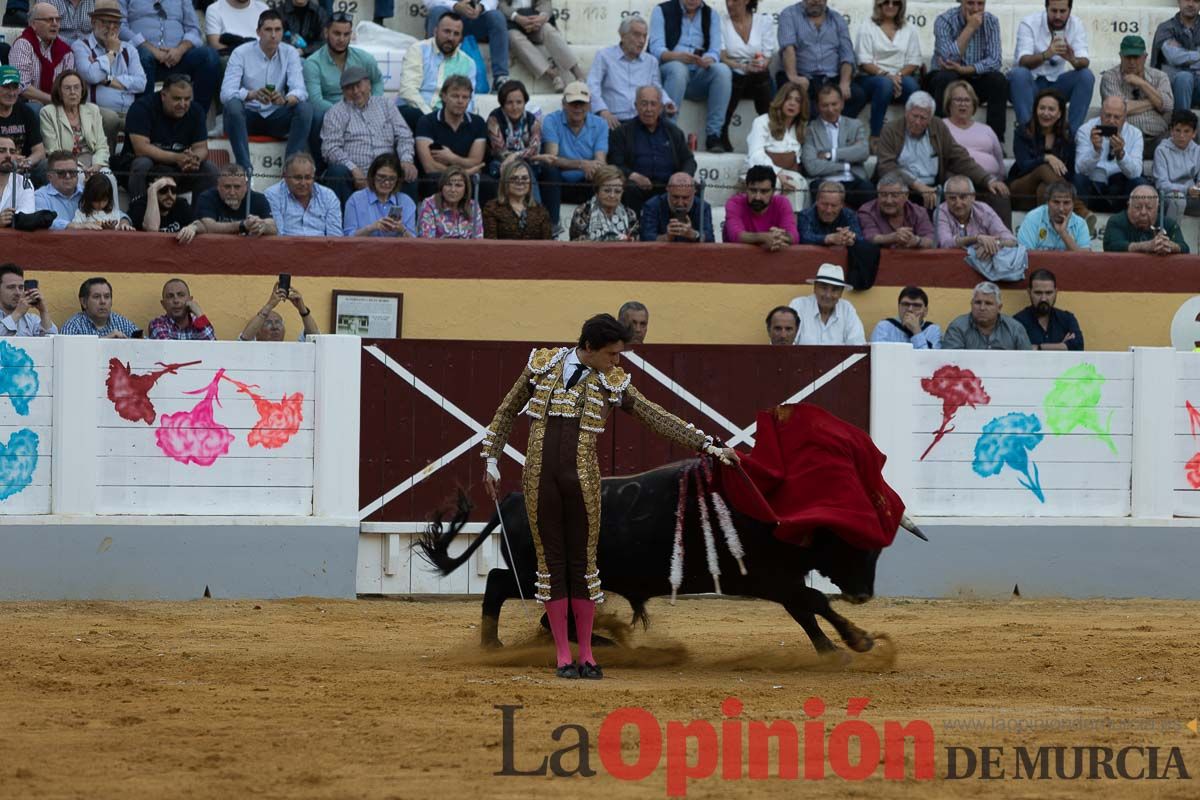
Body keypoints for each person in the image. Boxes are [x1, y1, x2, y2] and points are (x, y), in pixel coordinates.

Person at [480, 312, 737, 679]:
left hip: (582, 483)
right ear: (588, 347)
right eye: (612, 354)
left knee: (583, 566)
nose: (617, 362)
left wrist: (708, 446)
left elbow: (654, 416)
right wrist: (490, 459)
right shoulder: (542, 363)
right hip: (539, 483)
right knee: (551, 567)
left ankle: (587, 655)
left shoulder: (611, 381)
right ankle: (563, 657)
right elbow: (505, 412)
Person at [876, 91, 1009, 217]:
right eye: (914, 116)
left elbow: (958, 157)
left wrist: (988, 180)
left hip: (933, 187)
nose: (918, 122)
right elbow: (886, 167)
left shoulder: (937, 126)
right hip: (901, 187)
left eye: (923, 118)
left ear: (930, 118)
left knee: (991, 194)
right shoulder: (891, 130)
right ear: (906, 112)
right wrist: (918, 186)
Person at [220, 10, 311, 176]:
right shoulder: (241, 53)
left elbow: (301, 91)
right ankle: (244, 169)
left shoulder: (290, 52)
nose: (274, 35)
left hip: (276, 115)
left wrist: (284, 100)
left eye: (278, 30)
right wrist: (251, 94)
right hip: (247, 116)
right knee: (232, 105)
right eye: (268, 30)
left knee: (304, 108)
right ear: (258, 32)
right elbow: (226, 93)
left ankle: (290, 170)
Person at [320, 65, 416, 207]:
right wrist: (352, 168)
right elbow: (330, 148)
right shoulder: (335, 112)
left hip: (388, 170)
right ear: (343, 91)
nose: (356, 91)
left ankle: (405, 226)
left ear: (369, 84)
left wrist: (406, 159)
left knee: (409, 172)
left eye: (359, 85)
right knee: (337, 171)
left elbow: (404, 135)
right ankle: (344, 225)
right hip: (355, 172)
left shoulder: (386, 105)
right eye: (349, 88)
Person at [650, 0, 733, 153]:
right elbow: (655, 49)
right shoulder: (661, 10)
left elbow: (715, 50)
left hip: (698, 71)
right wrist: (676, 56)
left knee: (722, 70)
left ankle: (714, 135)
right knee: (678, 69)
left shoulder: (711, 14)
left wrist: (708, 59)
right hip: (669, 69)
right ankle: (669, 131)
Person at [303, 12, 384, 162]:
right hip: (330, 112)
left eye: (346, 34)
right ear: (326, 33)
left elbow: (377, 81)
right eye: (337, 33)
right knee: (317, 116)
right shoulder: (312, 63)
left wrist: (374, 103)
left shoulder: (364, 58)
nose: (341, 39)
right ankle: (320, 169)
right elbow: (315, 100)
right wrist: (345, 113)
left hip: (363, 108)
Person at [123, 73, 218, 200]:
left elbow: (201, 148)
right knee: (142, 163)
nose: (183, 104)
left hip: (178, 170)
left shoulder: (196, 111)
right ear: (163, 95)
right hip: (148, 169)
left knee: (209, 169)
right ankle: (138, 212)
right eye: (177, 99)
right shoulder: (142, 107)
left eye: (187, 99)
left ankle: (200, 218)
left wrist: (194, 159)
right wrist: (177, 158)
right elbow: (141, 148)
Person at [607, 85, 696, 214]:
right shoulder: (622, 132)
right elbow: (615, 163)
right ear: (636, 106)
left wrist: (682, 178)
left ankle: (690, 232)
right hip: (637, 187)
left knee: (693, 188)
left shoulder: (673, 131)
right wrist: (634, 176)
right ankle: (634, 231)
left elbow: (688, 160)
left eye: (653, 104)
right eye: (644, 104)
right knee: (630, 187)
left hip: (669, 188)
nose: (648, 109)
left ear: (660, 107)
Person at [71, 0, 144, 156]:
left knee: (143, 119)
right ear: (93, 22)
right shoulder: (80, 46)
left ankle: (127, 162)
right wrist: (111, 54)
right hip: (95, 109)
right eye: (106, 23)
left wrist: (107, 80)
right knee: (110, 119)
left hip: (127, 111)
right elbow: (91, 75)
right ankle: (106, 162)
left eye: (116, 24)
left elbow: (141, 83)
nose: (111, 29)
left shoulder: (129, 49)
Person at [1009, 0, 1093, 135]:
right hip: (1031, 85)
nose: (1058, 16)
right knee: (1019, 74)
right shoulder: (1029, 23)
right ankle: (1028, 136)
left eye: (1062, 11)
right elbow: (1023, 61)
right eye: (1054, 11)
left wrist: (1072, 59)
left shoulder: (1076, 24)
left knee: (1086, 76)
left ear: (1070, 10)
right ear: (1046, 8)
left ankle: (1071, 137)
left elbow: (1084, 61)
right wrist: (1047, 54)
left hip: (1057, 85)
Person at [928, 0, 1007, 144]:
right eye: (970, 3)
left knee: (998, 80)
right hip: (947, 77)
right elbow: (948, 59)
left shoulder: (991, 21)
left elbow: (995, 61)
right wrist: (970, 28)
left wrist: (966, 69)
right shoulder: (944, 20)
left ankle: (996, 141)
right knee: (946, 77)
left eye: (980, 4)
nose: (976, 8)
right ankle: (939, 139)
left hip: (974, 77)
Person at [122, 0, 220, 113]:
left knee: (209, 56)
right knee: (143, 56)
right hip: (143, 58)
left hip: (178, 58)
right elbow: (121, 28)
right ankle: (146, 119)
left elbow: (194, 29)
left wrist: (180, 50)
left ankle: (197, 117)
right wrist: (153, 50)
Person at [537, 82, 609, 229]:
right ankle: (552, 225)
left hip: (585, 181)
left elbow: (600, 160)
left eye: (581, 103)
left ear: (589, 105)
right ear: (564, 104)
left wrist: (592, 167)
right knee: (549, 170)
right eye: (573, 103)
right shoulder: (552, 120)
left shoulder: (601, 124)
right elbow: (551, 157)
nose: (578, 108)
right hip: (559, 183)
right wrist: (582, 164)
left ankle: (598, 226)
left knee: (602, 173)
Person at [776, 0, 864, 117]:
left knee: (858, 95)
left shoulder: (837, 19)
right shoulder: (789, 14)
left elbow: (847, 54)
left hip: (831, 78)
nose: (816, 1)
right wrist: (794, 77)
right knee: (799, 99)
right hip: (803, 76)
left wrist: (844, 82)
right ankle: (816, 130)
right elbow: (788, 48)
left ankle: (835, 131)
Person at [1009, 87, 1088, 215]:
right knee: (1044, 168)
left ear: (1059, 114)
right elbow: (1023, 165)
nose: (1045, 113)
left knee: (1045, 189)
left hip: (1049, 195)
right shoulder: (1023, 132)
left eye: (1051, 109)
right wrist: (1046, 158)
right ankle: (1079, 209)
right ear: (1035, 110)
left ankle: (1048, 233)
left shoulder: (1067, 137)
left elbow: (1070, 172)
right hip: (1021, 190)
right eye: (1042, 108)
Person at [588, 16, 675, 130]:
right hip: (613, 120)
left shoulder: (651, 61)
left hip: (641, 121)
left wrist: (667, 102)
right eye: (637, 35)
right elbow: (592, 86)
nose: (642, 41)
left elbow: (656, 88)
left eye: (644, 36)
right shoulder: (604, 56)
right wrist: (603, 111)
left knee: (673, 133)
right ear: (623, 35)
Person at [852, 0, 921, 141]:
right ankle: (875, 135)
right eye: (886, 2)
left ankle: (913, 135)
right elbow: (864, 62)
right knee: (885, 85)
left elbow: (914, 61)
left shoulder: (909, 28)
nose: (890, 6)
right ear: (879, 4)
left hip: (900, 75)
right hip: (871, 77)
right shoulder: (867, 26)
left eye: (895, 3)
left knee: (912, 87)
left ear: (901, 6)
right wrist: (887, 76)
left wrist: (898, 76)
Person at [397, 11, 475, 131]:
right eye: (447, 31)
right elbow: (408, 91)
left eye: (456, 34)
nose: (450, 38)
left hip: (447, 118)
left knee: (476, 125)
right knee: (414, 116)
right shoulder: (418, 50)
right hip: (415, 111)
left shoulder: (468, 63)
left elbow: (468, 100)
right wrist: (432, 118)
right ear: (435, 31)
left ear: (461, 38)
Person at [801, 83, 873, 209]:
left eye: (834, 104)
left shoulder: (855, 125)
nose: (830, 109)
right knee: (818, 190)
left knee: (868, 189)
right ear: (818, 107)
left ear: (842, 104)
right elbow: (812, 166)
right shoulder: (810, 129)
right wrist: (846, 164)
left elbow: (863, 152)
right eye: (825, 105)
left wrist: (831, 154)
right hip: (824, 182)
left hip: (852, 180)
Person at [796, 181, 880, 290]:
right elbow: (804, 237)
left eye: (834, 205)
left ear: (842, 205)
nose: (828, 210)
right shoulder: (805, 215)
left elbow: (859, 237)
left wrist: (850, 238)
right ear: (816, 201)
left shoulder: (849, 214)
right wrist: (829, 238)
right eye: (824, 204)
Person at [414, 74, 487, 197]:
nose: (460, 101)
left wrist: (451, 158)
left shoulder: (478, 122)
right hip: (437, 180)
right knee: (433, 177)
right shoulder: (426, 122)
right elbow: (429, 166)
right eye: (455, 96)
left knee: (485, 182)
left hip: (464, 179)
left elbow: (476, 162)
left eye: (465, 97)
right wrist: (465, 173)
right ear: (443, 96)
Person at [1101, 36, 1173, 158]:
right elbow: (1120, 108)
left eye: (1136, 57)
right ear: (1121, 56)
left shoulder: (1160, 76)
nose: (1132, 62)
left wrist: (1142, 83)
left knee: (1175, 140)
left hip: (1156, 138)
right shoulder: (1110, 77)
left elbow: (1167, 106)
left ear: (1145, 57)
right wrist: (1153, 102)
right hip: (1124, 138)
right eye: (1128, 57)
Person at [38, 69, 111, 191]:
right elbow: (53, 150)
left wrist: (97, 165)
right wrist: (79, 167)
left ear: (82, 90)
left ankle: (112, 211)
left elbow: (102, 145)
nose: (73, 92)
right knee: (80, 177)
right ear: (59, 92)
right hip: (67, 164)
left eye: (76, 87)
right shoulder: (48, 112)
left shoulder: (93, 110)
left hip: (93, 162)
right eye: (67, 88)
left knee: (108, 177)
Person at [1074, 96, 1148, 213]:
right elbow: (1080, 170)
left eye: (1117, 117)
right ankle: (1084, 217)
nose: (1111, 120)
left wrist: (1121, 154)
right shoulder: (1086, 130)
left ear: (1125, 118)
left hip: (1119, 188)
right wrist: (1095, 151)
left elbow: (1136, 173)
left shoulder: (1135, 134)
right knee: (1078, 179)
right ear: (1101, 114)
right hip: (1093, 185)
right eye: (1107, 115)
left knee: (1140, 183)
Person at [719, 0, 775, 151]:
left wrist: (760, 64)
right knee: (738, 76)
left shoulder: (763, 21)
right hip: (734, 71)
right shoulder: (721, 22)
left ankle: (769, 130)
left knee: (760, 75)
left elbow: (768, 55)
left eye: (735, 0)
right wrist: (743, 67)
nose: (729, 4)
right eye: (727, 0)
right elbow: (723, 57)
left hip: (757, 72)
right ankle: (722, 131)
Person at [745, 81, 807, 211]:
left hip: (787, 171)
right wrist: (777, 173)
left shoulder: (800, 128)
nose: (792, 103)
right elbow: (756, 154)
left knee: (797, 183)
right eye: (788, 98)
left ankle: (791, 227)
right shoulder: (762, 121)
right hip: (759, 170)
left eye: (797, 100)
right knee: (776, 184)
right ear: (780, 100)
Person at [422, 0, 509, 90]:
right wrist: (455, 6)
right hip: (449, 16)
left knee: (497, 17)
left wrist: (481, 7)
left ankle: (500, 78)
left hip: (475, 19)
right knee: (437, 12)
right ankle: (432, 73)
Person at [499, 0, 583, 92]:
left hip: (535, 20)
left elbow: (545, 3)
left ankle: (578, 74)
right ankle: (553, 75)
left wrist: (541, 17)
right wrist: (516, 17)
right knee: (513, 38)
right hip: (511, 23)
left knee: (548, 30)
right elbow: (501, 4)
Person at [10, 3, 75, 113]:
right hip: (29, 105)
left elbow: (70, 84)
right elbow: (21, 86)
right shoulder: (23, 45)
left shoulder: (66, 52)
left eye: (57, 20)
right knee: (36, 109)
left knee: (92, 110)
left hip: (60, 104)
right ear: (34, 24)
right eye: (49, 20)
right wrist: (53, 100)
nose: (55, 24)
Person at [485, 79, 542, 201]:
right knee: (523, 169)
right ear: (502, 104)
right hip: (499, 164)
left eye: (519, 102)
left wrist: (515, 155)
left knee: (530, 169)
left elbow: (534, 149)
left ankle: (544, 217)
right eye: (509, 102)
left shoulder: (532, 120)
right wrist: (517, 157)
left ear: (524, 102)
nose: (515, 107)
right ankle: (535, 213)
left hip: (528, 163)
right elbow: (501, 152)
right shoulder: (494, 119)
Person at [935, 174, 1018, 254]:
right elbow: (945, 243)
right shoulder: (940, 212)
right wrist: (976, 239)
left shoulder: (984, 210)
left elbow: (1011, 240)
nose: (958, 203)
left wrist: (993, 245)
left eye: (963, 197)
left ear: (973, 197)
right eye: (952, 198)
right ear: (945, 198)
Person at [943, 80, 1005, 186]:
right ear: (949, 104)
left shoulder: (987, 129)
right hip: (957, 185)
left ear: (973, 105)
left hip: (991, 183)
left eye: (967, 100)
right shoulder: (942, 126)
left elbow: (999, 159)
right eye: (958, 100)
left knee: (1002, 197)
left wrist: (1000, 181)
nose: (963, 104)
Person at [264, 152, 342, 236]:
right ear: (285, 176)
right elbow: (278, 235)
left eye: (308, 178)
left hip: (322, 248)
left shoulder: (328, 196)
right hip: (287, 247)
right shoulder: (273, 195)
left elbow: (335, 237)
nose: (303, 183)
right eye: (298, 178)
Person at [787, 262, 865, 345]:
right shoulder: (799, 305)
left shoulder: (847, 309)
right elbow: (788, 344)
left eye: (835, 290)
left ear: (841, 292)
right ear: (815, 288)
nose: (828, 295)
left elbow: (857, 345)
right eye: (823, 288)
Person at [723, 164, 797, 250]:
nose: (757, 197)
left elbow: (794, 236)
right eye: (753, 190)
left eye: (764, 191)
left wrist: (778, 237)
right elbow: (735, 235)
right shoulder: (735, 203)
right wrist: (764, 237)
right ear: (746, 189)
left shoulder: (782, 203)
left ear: (773, 191)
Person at [942, 282, 1032, 351]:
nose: (982, 308)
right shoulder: (957, 327)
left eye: (988, 303)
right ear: (971, 304)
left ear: (999, 307)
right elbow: (951, 364)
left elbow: (1028, 362)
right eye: (978, 302)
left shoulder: (1015, 329)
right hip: (968, 375)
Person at [344, 152, 417, 237]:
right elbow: (348, 237)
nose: (386, 182)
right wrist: (371, 228)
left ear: (398, 180)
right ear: (373, 176)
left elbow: (414, 242)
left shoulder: (406, 202)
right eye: (381, 177)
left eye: (392, 178)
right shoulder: (355, 200)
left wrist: (401, 229)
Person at [1102, 184, 1189, 254]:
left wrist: (1170, 246)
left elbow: (1184, 248)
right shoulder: (1116, 221)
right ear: (1129, 205)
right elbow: (1114, 246)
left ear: (1157, 208)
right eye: (1137, 207)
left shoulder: (1169, 224)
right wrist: (1146, 246)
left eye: (1149, 208)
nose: (1143, 212)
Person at [195, 163, 276, 235]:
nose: (232, 192)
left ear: (246, 187)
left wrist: (261, 225)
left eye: (237, 187)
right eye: (227, 187)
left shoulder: (259, 199)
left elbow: (273, 227)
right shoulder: (207, 198)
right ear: (218, 186)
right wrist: (242, 225)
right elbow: (209, 227)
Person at [1012, 268, 1083, 351]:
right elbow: (1016, 352)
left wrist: (1039, 348)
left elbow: (1077, 346)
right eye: (1038, 293)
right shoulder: (1018, 322)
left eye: (1049, 293)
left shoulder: (1067, 319)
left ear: (1056, 292)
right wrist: (1061, 346)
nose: (1043, 299)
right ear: (1029, 292)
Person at [858, 172, 933, 249]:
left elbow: (931, 240)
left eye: (895, 196)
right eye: (883, 195)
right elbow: (870, 237)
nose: (889, 201)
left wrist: (917, 241)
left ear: (906, 196)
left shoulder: (919, 212)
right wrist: (893, 237)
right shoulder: (867, 211)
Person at [482, 158, 552, 240]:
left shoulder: (541, 211)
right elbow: (490, 244)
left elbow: (547, 244)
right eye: (514, 178)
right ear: (505, 182)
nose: (520, 182)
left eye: (524, 178)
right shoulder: (492, 208)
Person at [0, 66, 47, 186]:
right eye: (6, 87)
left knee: (47, 166)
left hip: (22, 168)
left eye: (15, 88)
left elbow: (39, 151)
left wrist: (27, 162)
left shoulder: (25, 112)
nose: (11, 93)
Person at [568, 164, 639, 242]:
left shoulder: (630, 214)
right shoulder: (583, 212)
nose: (612, 195)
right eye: (607, 191)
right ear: (597, 191)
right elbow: (576, 244)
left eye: (617, 191)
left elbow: (635, 244)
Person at [639, 171, 714, 243]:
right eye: (675, 197)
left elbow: (710, 239)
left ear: (694, 192)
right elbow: (645, 238)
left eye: (685, 198)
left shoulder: (703, 207)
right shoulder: (652, 206)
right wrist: (666, 238)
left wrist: (693, 234)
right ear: (667, 189)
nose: (680, 203)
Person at [1154, 0, 1200, 113]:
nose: (1190, 4)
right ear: (1179, 2)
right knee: (1184, 77)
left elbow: (1179, 57)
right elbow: (1174, 57)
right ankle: (1182, 123)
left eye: (1196, 1)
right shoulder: (1165, 28)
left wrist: (1183, 54)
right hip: (1172, 85)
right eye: (1186, 0)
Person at [1017, 181, 1090, 251]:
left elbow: (1085, 259)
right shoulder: (1033, 218)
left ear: (1073, 204)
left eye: (1066, 203)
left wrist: (1063, 233)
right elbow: (1024, 255)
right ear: (1047, 202)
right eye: (1056, 202)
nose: (1061, 208)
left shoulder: (1080, 224)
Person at [1155, 109, 1200, 222]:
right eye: (1178, 130)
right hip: (1169, 195)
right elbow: (1162, 184)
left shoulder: (1198, 150)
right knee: (1178, 199)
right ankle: (1170, 236)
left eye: (1186, 131)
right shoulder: (1162, 151)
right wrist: (1186, 190)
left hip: (1192, 195)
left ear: (1194, 133)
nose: (1181, 136)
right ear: (1171, 131)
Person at [129, 173, 200, 242]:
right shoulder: (140, 205)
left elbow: (200, 224)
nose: (170, 195)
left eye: (173, 190)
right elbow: (152, 228)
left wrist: (193, 227)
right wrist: (152, 189)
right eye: (163, 190)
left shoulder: (181, 204)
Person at [417, 164, 483, 239]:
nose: (453, 190)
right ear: (442, 186)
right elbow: (427, 241)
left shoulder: (473, 206)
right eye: (448, 184)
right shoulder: (429, 204)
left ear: (466, 189)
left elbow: (478, 240)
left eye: (458, 185)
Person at [238, 281, 319, 341]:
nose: (275, 327)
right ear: (257, 332)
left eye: (278, 323)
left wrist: (302, 309)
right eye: (268, 323)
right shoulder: (251, 350)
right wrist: (269, 305)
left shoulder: (293, 350)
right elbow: (244, 340)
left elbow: (315, 338)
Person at [60, 276, 139, 336]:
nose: (103, 301)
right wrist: (105, 341)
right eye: (96, 297)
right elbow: (67, 353)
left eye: (107, 296)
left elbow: (145, 345)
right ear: (83, 302)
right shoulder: (73, 326)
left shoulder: (122, 323)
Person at [870, 286, 940, 349]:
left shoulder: (932, 330)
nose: (910, 309)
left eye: (916, 305)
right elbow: (879, 358)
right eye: (905, 304)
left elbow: (928, 360)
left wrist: (917, 331)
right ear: (899, 307)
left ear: (925, 311)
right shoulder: (884, 327)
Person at [148, 278, 215, 340]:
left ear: (190, 300)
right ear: (163, 304)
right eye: (170, 296)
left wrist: (199, 314)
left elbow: (213, 347)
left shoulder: (199, 324)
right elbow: (167, 349)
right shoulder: (158, 324)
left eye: (181, 295)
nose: (176, 300)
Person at [0, 263, 57, 336]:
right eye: (11, 287)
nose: (18, 293)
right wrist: (18, 313)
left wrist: (43, 312)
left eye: (21, 287)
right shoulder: (20, 314)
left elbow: (52, 341)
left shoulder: (32, 320)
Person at [33, 149, 81, 228]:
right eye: (61, 173)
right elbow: (42, 221)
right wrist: (70, 226)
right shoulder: (40, 196)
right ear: (49, 177)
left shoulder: (87, 193)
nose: (68, 176)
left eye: (72, 172)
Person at [0, 135, 37, 219]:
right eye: (1, 151)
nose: (8, 155)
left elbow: (26, 214)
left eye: (12, 152)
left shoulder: (24, 182)